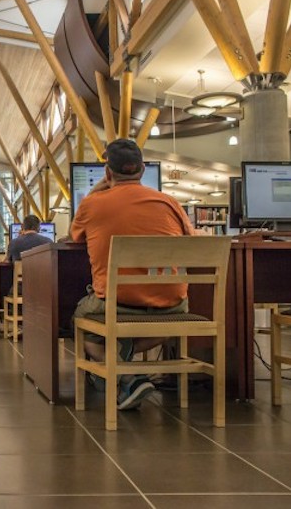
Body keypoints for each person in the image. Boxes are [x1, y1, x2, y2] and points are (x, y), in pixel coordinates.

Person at [69, 138, 196, 410]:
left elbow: (74, 236)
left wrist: (95, 192)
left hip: (117, 303)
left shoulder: (92, 204)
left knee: (79, 322)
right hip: (173, 307)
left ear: (108, 173)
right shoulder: (170, 202)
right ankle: (126, 370)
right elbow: (193, 241)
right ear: (142, 169)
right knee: (167, 324)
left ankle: (126, 375)